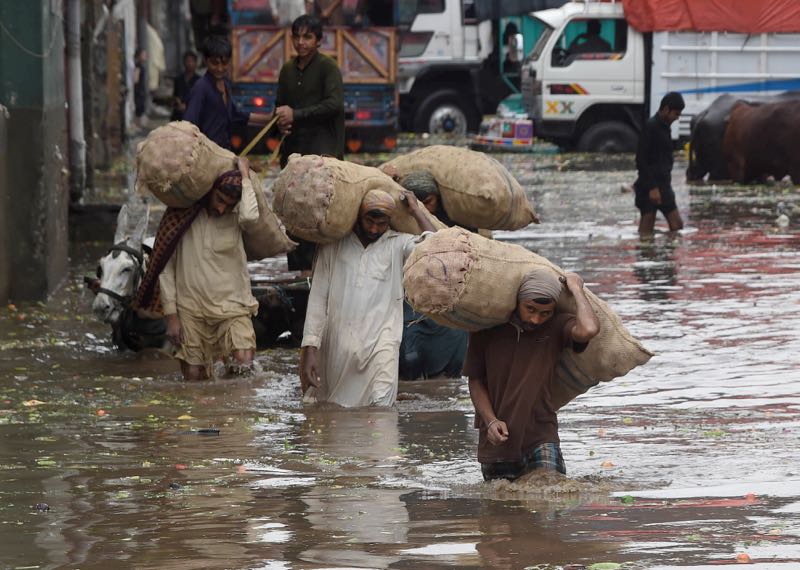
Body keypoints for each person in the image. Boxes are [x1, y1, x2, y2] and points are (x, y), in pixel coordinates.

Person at [300, 190, 437, 407]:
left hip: (382, 342)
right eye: (369, 221)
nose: (374, 229)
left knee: (381, 410)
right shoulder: (333, 246)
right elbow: (318, 298)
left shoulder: (398, 244)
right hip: (337, 345)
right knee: (334, 413)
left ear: (389, 222)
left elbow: (434, 249)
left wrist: (416, 211)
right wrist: (310, 349)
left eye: (381, 223)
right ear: (358, 217)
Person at [464, 268, 600, 481]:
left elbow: (588, 330)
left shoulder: (556, 326)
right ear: (517, 302)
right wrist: (490, 422)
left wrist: (576, 289)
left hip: (541, 434)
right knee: (501, 511)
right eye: (530, 309)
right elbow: (475, 380)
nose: (536, 319)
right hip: (497, 441)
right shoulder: (487, 329)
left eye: (544, 313)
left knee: (551, 499)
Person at [133, 158, 260, 381]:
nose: (222, 208)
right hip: (191, 308)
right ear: (208, 191)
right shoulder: (180, 218)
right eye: (220, 199)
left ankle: (238, 414)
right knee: (193, 377)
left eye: (229, 204)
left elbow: (251, 216)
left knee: (243, 362)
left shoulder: (237, 216)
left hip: (233, 305)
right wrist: (171, 317)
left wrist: (245, 176)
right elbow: (165, 267)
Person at [274, 14, 345, 271]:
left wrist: (297, 114)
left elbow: (335, 105)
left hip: (323, 159)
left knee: (320, 220)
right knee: (293, 219)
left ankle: (324, 276)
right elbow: (280, 108)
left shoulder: (328, 67)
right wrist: (281, 120)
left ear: (318, 41)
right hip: (293, 158)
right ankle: (297, 282)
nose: (301, 42)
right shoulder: (287, 70)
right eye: (297, 36)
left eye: (307, 37)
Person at [396, 171, 469, 380]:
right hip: (412, 303)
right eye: (420, 204)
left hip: (447, 301)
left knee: (453, 363)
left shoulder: (455, 221)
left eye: (428, 202)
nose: (425, 209)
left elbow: (440, 250)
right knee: (410, 360)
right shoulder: (400, 224)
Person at [183, 35, 272, 150]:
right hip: (206, 155)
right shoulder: (201, 87)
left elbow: (236, 114)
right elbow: (188, 125)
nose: (220, 68)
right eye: (215, 63)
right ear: (205, 61)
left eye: (224, 63)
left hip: (224, 152)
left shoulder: (226, 85)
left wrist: (270, 118)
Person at [634, 91, 686, 235]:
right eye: (675, 114)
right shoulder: (651, 127)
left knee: (677, 225)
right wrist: (652, 188)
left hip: (664, 186)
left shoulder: (664, 127)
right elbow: (641, 160)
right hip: (649, 187)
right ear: (666, 109)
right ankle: (645, 255)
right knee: (646, 229)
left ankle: (666, 256)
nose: (677, 118)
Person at [171, 51, 201, 121]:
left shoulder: (199, 81)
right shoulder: (178, 79)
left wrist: (187, 106)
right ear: (184, 63)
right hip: (179, 115)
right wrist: (176, 101)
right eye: (187, 61)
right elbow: (175, 95)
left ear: (195, 63)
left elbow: (199, 100)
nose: (189, 64)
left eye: (192, 61)